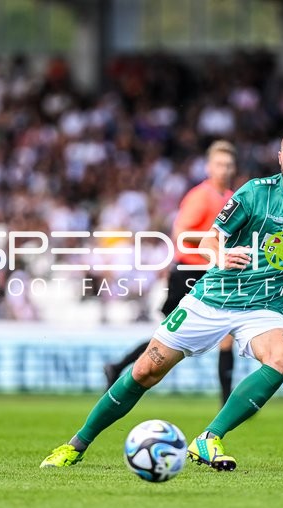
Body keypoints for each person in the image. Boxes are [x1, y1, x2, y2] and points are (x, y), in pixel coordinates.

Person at [41, 129, 283, 470]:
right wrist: (219, 256)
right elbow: (208, 240)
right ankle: (76, 444)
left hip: (264, 309)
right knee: (145, 371)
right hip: (213, 298)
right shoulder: (253, 193)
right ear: (280, 157)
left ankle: (208, 439)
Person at [103, 140, 238, 404]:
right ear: (209, 167)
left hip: (211, 272)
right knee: (167, 336)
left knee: (227, 333)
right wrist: (214, 242)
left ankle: (226, 403)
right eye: (219, 164)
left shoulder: (230, 198)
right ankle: (119, 366)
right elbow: (182, 234)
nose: (224, 169)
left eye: (228, 164)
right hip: (189, 271)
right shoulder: (201, 196)